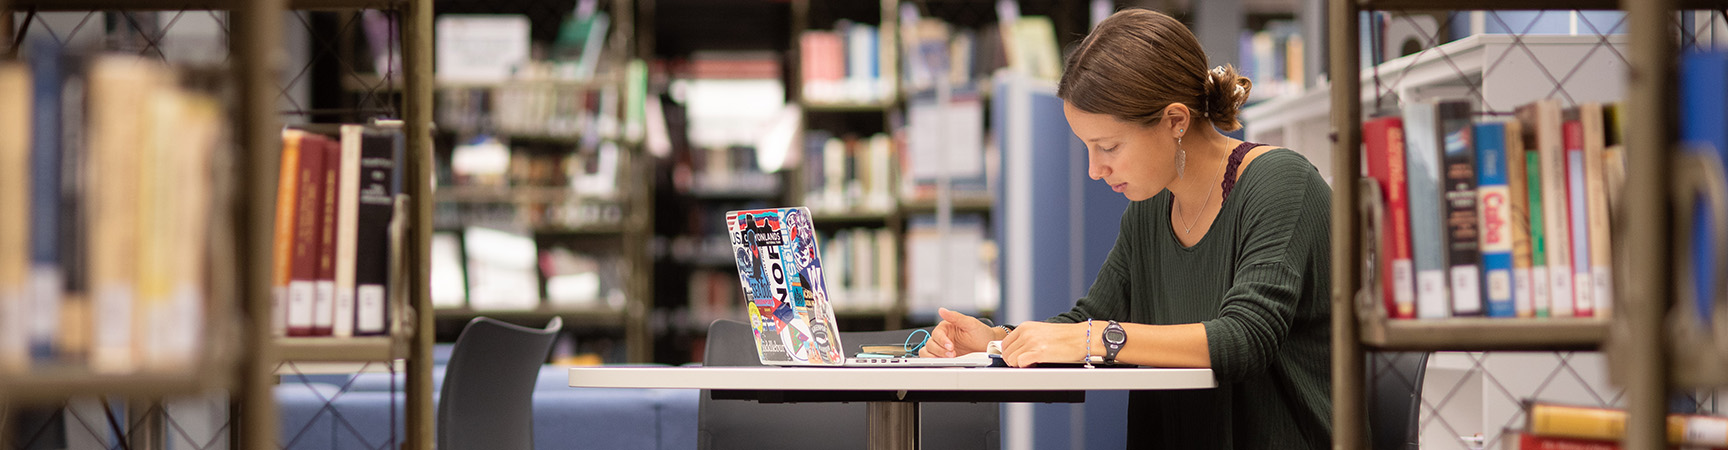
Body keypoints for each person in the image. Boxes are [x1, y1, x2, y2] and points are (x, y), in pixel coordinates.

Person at [918, 8, 1332, 449]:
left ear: (1175, 120)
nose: (1096, 170)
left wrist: (1094, 338)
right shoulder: (1151, 210)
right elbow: (1087, 320)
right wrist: (998, 341)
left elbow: (1245, 338)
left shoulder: (1282, 184)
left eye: (1109, 147)